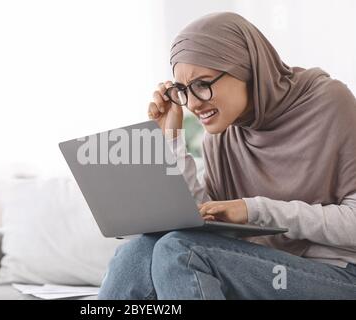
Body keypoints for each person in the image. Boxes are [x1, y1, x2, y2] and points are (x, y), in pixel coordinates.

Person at [98, 12, 356, 299]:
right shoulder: (222, 135)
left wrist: (253, 210)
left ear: (246, 68)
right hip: (264, 266)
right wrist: (172, 138)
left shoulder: (330, 104)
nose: (193, 103)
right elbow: (203, 222)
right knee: (137, 252)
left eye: (202, 84)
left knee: (180, 252)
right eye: (183, 90)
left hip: (341, 274)